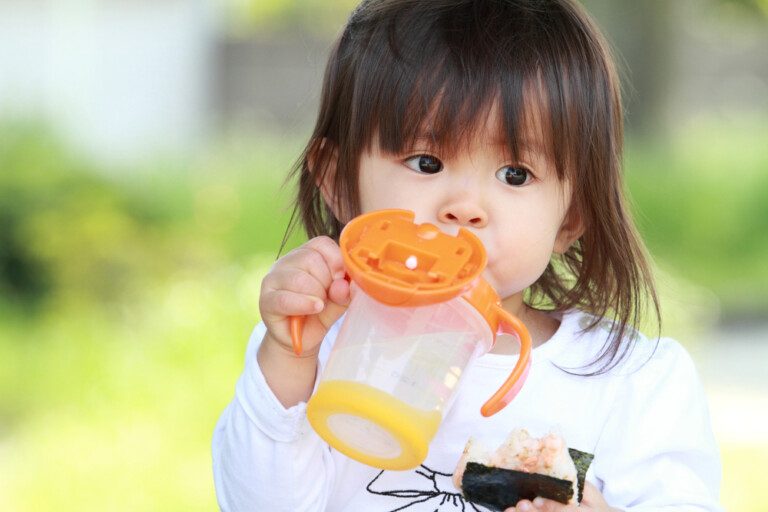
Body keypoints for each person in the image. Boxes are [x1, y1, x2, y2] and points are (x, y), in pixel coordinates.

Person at [212, 1, 723, 511]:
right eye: (426, 161)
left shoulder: (633, 384)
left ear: (570, 217)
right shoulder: (315, 354)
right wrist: (287, 362)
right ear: (340, 183)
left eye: (515, 174)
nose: (464, 208)